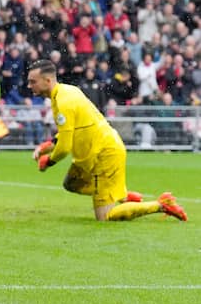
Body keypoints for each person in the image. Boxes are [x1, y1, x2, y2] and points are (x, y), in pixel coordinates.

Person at [27, 60, 187, 222]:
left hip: (104, 153)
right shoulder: (65, 92)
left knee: (105, 217)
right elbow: (67, 132)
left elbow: (64, 147)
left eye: (33, 82)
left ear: (47, 81)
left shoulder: (64, 101)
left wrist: (49, 161)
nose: (29, 85)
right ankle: (122, 195)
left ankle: (161, 204)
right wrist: (46, 147)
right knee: (72, 183)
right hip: (94, 152)